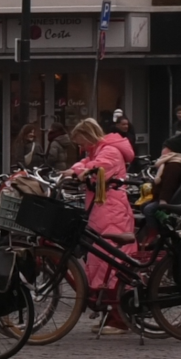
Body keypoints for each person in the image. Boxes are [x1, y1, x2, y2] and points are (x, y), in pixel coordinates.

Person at [61, 118, 136, 335]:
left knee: (109, 259)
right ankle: (110, 312)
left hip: (110, 210)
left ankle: (119, 318)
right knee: (103, 258)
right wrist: (79, 168)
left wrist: (78, 170)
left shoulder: (109, 151)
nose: (80, 147)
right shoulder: (102, 150)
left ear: (88, 136)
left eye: (81, 142)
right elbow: (85, 164)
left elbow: (94, 168)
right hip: (104, 208)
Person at [139, 133, 181, 245]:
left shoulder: (173, 165)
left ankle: (154, 233)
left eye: (165, 148)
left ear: (173, 150)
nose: (162, 150)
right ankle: (154, 228)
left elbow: (169, 185)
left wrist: (163, 200)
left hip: (166, 198)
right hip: (161, 197)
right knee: (144, 206)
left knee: (148, 209)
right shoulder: (171, 163)